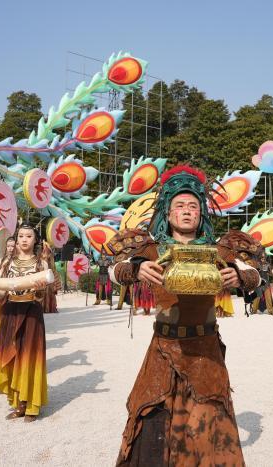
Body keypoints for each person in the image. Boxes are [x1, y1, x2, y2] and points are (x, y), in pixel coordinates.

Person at [107, 165, 261, 465]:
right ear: (167, 212)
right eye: (179, 205)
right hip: (162, 352)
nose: (187, 211)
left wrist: (240, 278)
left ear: (201, 213)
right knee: (152, 426)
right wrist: (135, 269)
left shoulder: (220, 251)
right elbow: (114, 271)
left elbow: (255, 273)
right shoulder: (150, 250)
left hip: (206, 355)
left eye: (193, 206)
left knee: (209, 433)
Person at [0, 224, 51, 422]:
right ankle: (19, 403)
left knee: (29, 358)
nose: (24, 239)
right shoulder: (6, 262)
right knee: (13, 357)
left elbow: (42, 298)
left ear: (35, 240)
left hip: (32, 314)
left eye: (29, 236)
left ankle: (31, 405)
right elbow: (1, 292)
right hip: (10, 311)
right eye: (21, 236)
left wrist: (40, 290)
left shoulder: (42, 265)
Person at [0, 236, 16, 341]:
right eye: (8, 246)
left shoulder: (18, 260)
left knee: (12, 315)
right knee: (0, 312)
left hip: (13, 290)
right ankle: (0, 335)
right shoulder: (2, 260)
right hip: (2, 290)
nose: (10, 248)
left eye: (12, 246)